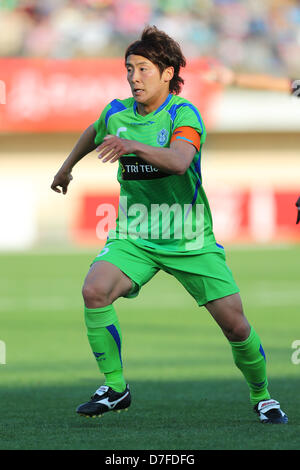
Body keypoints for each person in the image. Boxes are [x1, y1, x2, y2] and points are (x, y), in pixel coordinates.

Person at [51, 26, 287, 424]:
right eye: (129, 68)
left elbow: (179, 161)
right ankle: (115, 388)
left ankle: (263, 397)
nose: (133, 77)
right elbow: (95, 129)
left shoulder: (183, 113)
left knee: (235, 325)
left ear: (168, 73)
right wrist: (66, 167)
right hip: (137, 232)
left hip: (189, 237)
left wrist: (134, 145)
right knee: (94, 290)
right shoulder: (116, 112)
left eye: (143, 68)